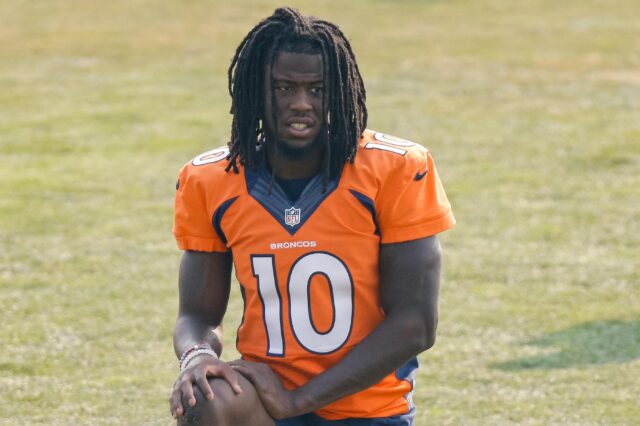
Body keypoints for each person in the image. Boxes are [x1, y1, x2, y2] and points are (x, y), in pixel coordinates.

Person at [169, 7, 455, 426]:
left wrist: (299, 401)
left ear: (339, 91)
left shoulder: (395, 169)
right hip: (266, 398)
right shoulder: (211, 178)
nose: (301, 104)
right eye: (284, 87)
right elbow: (197, 315)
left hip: (368, 409)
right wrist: (196, 358)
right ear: (255, 90)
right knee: (206, 396)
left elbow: (416, 324)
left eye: (318, 89)